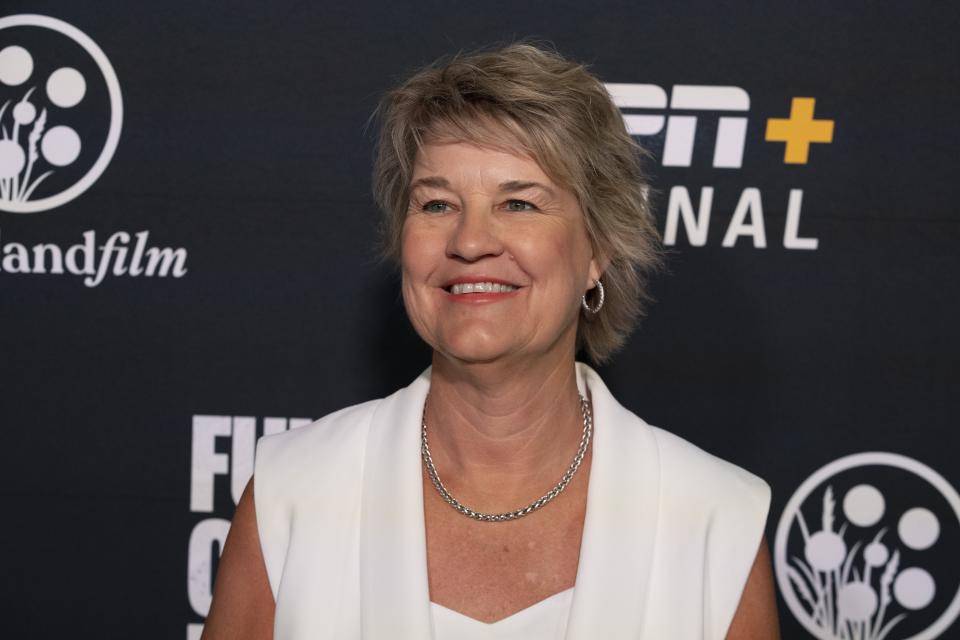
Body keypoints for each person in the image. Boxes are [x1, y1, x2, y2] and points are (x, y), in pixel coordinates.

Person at [202, 43, 780, 639]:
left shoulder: (716, 521)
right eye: (436, 203)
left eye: (519, 202)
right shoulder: (291, 493)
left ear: (597, 252)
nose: (471, 240)